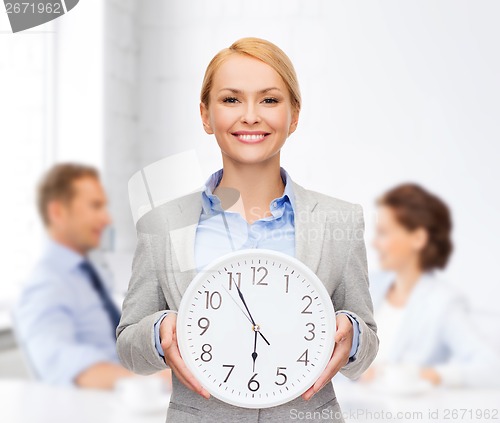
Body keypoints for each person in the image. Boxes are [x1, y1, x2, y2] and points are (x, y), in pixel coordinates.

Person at [116, 37, 378, 422]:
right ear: (205, 115)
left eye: (270, 100)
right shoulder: (163, 224)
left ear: (295, 114)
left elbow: (367, 341)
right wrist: (159, 331)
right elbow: (128, 346)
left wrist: (352, 335)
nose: (251, 115)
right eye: (231, 99)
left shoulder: (339, 219)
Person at [363, 183, 500, 388]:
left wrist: (426, 375)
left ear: (418, 238)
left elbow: (491, 368)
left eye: (384, 233)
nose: (375, 243)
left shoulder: (443, 302)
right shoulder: (368, 285)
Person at [12, 163, 135, 389]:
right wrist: (152, 383)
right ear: (57, 212)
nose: (107, 219)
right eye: (95, 206)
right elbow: (63, 362)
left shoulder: (87, 275)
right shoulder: (45, 285)